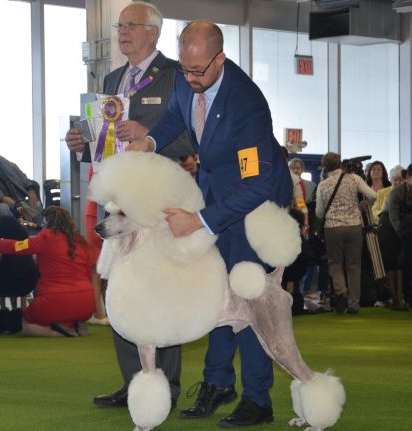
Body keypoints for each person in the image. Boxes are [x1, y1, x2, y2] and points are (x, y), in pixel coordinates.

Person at [127, 20, 293, 427]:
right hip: (213, 194)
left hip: (255, 208)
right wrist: (149, 141)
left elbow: (255, 184)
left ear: (220, 58)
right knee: (210, 294)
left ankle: (258, 400)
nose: (190, 78)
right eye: (185, 69)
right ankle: (218, 382)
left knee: (248, 299)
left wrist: (199, 220)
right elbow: (174, 116)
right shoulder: (187, 79)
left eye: (198, 70)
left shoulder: (247, 103)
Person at [64, 1, 189, 410]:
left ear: (154, 31)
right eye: (120, 25)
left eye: (131, 25)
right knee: (120, 290)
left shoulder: (174, 77)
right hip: (116, 201)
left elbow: (193, 139)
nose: (122, 31)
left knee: (159, 291)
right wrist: (81, 146)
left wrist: (150, 132)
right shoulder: (112, 77)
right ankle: (133, 383)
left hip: (156, 204)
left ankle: (165, 384)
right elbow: (102, 146)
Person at [0, 206, 96, 337]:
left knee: (24, 322)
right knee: (65, 311)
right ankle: (74, 324)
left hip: (55, 300)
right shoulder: (81, 242)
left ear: (47, 223)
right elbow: (88, 272)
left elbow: (20, 246)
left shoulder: (46, 237)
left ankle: (57, 332)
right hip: (87, 303)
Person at [315, 153, 377, 314]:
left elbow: (320, 213)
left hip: (332, 228)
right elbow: (373, 195)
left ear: (325, 167)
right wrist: (365, 203)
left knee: (335, 263)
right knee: (354, 265)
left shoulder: (323, 185)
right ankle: (354, 304)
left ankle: (341, 292)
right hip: (354, 226)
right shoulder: (354, 179)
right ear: (340, 164)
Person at [381, 162, 412, 310]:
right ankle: (395, 299)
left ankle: (406, 298)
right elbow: (394, 218)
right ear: (408, 177)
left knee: (405, 261)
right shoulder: (397, 191)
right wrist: (404, 235)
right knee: (392, 260)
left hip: (406, 225)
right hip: (389, 225)